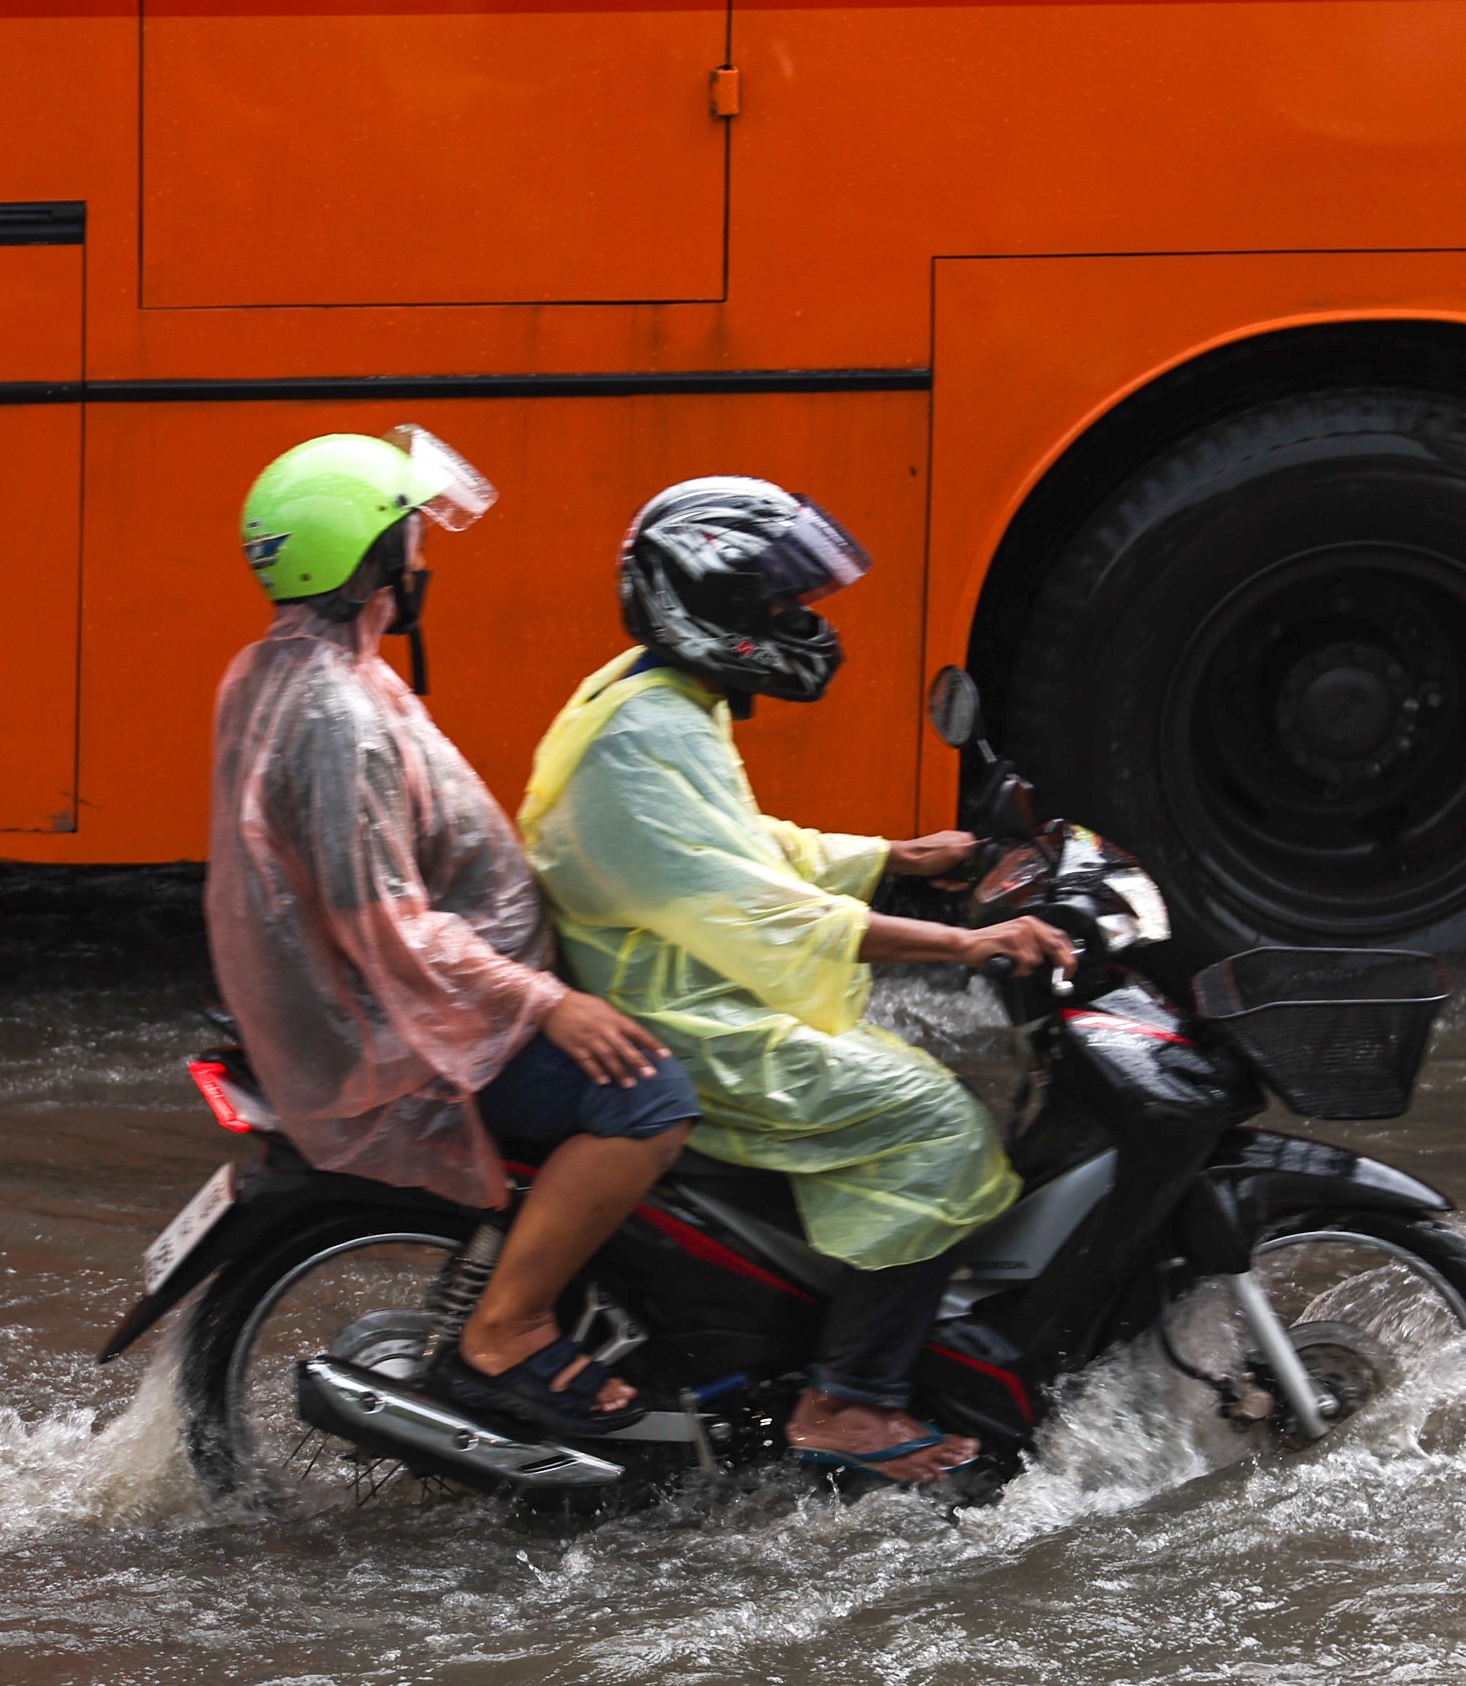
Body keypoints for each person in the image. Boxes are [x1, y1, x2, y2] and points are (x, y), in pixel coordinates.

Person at [519, 479, 1078, 1486]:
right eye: (777, 607)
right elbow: (761, 908)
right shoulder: (651, 731)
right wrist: (966, 945)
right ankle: (851, 1401)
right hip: (687, 1020)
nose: (801, 624)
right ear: (714, 607)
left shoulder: (649, 698)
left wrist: (898, 858)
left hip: (687, 986)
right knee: (937, 1121)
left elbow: (745, 845)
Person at [203, 427, 691, 1444]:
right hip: (424, 1024)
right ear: (368, 557)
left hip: (406, 1000)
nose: (424, 553)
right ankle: (508, 1329)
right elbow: (386, 922)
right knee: (651, 1098)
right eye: (410, 534)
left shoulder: (277, 670)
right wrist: (548, 1000)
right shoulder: (339, 713)